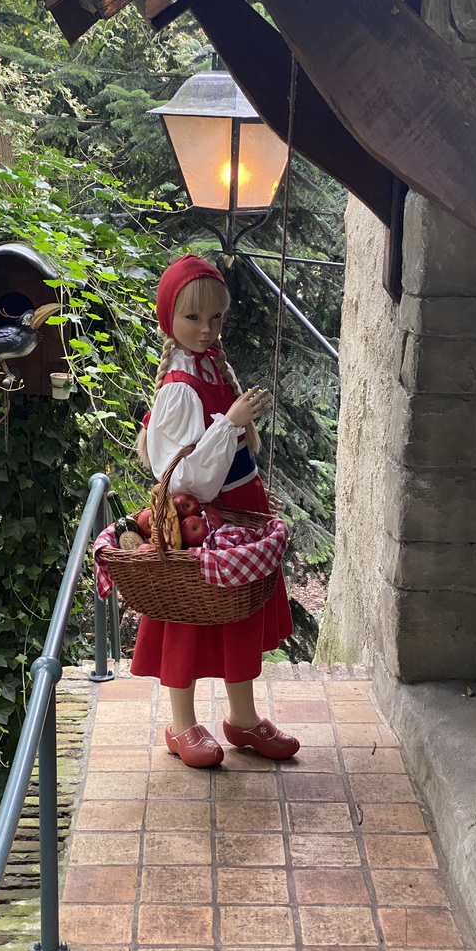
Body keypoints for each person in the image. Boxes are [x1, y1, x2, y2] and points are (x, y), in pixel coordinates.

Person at [130, 254, 299, 767]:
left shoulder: (210, 366)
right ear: (169, 320)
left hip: (238, 509)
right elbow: (185, 477)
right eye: (193, 319)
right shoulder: (179, 388)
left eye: (216, 318)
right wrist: (230, 423)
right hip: (203, 519)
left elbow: (224, 455)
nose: (207, 330)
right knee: (189, 613)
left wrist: (238, 431)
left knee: (239, 612)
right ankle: (182, 725)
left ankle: (242, 719)